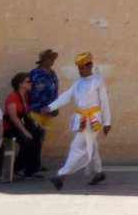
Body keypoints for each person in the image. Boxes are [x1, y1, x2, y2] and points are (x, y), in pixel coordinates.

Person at [47, 51, 112, 190]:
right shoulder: (78, 82)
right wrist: (50, 106)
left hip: (93, 121)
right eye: (79, 68)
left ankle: (61, 175)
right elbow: (66, 96)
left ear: (90, 66)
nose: (81, 71)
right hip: (80, 119)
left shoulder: (98, 81)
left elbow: (104, 102)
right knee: (92, 147)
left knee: (77, 147)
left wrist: (107, 123)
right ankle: (99, 173)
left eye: (83, 67)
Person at [4, 73, 42, 179]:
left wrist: (33, 121)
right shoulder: (13, 97)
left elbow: (25, 113)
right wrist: (24, 131)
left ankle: (32, 169)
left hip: (20, 125)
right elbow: (13, 116)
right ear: (20, 84)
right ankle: (17, 169)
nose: (30, 83)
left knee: (38, 134)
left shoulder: (25, 96)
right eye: (28, 82)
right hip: (10, 127)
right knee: (28, 141)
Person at [27, 48, 60, 163]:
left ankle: (36, 162)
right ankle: (31, 163)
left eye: (53, 58)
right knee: (34, 137)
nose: (52, 61)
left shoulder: (53, 73)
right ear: (43, 60)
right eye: (49, 58)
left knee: (42, 138)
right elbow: (29, 90)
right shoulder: (34, 73)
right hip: (37, 110)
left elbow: (55, 90)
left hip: (50, 111)